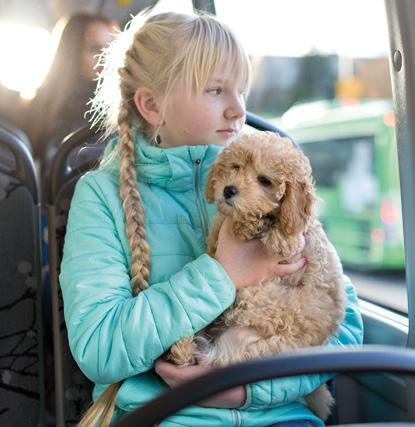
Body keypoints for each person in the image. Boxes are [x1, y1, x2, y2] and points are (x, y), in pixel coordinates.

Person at [59, 10, 363, 427]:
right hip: (167, 416)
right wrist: (222, 274)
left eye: (242, 90)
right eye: (217, 90)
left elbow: (342, 325)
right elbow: (100, 348)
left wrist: (247, 390)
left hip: (280, 414)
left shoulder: (272, 185)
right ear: (151, 105)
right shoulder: (101, 197)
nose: (238, 110)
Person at [25, 12, 117, 162]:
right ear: (72, 53)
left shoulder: (119, 105)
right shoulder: (79, 107)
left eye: (112, 49)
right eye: (95, 49)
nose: (106, 58)